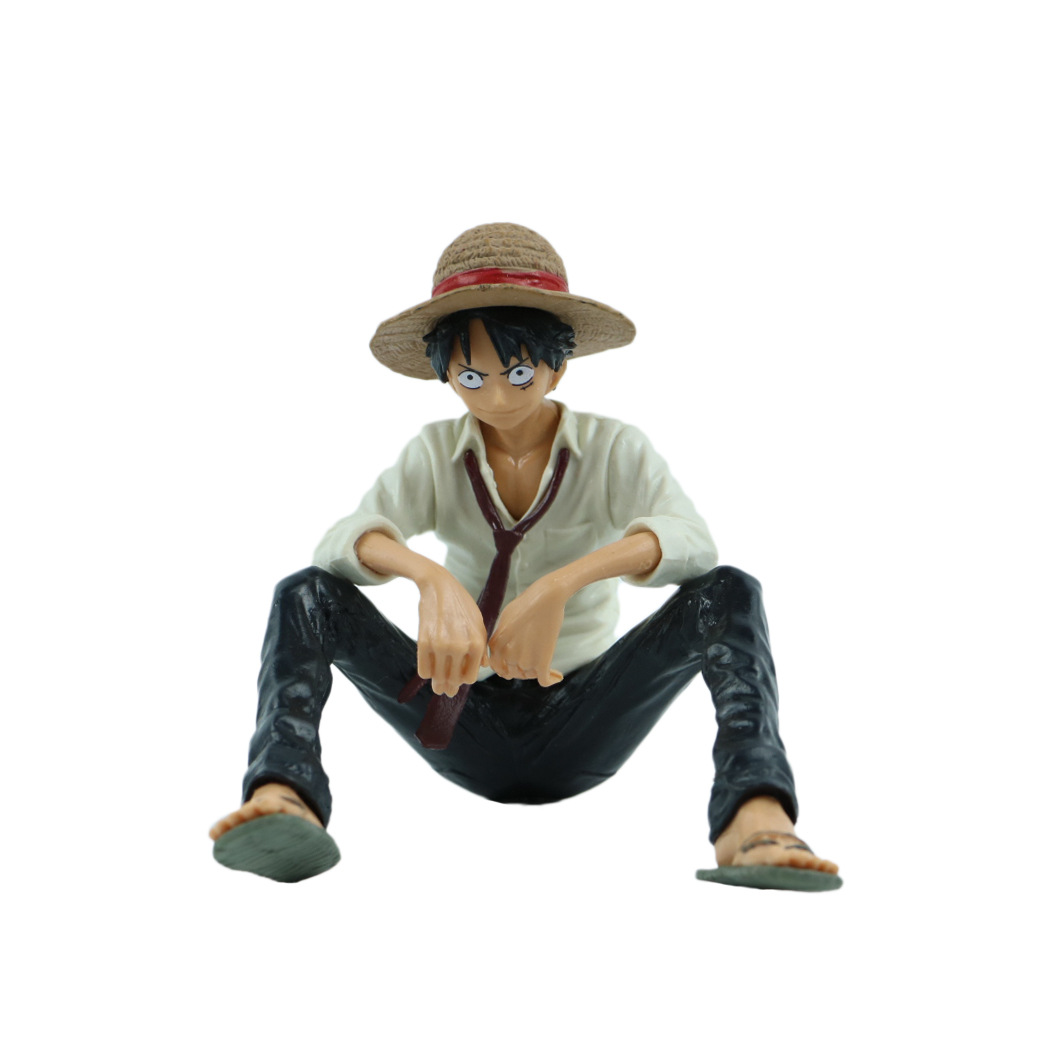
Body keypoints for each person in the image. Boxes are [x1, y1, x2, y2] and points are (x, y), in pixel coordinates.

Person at [210, 223, 840, 890]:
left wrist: (561, 584)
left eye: (518, 374)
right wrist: (429, 578)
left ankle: (753, 814)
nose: (497, 399)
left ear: (558, 366)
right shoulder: (435, 453)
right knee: (305, 593)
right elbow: (342, 542)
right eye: (471, 377)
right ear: (445, 375)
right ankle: (285, 794)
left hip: (584, 715)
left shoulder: (612, 449)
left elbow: (691, 542)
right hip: (458, 713)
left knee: (729, 591)